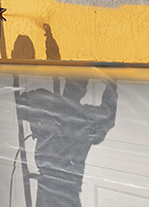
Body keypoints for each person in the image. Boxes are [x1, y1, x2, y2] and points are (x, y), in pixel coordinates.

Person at [15, 78, 118, 207]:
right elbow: (106, 118)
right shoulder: (56, 114)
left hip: (63, 192)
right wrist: (111, 87)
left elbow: (105, 119)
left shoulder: (80, 123)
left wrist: (111, 87)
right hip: (50, 190)